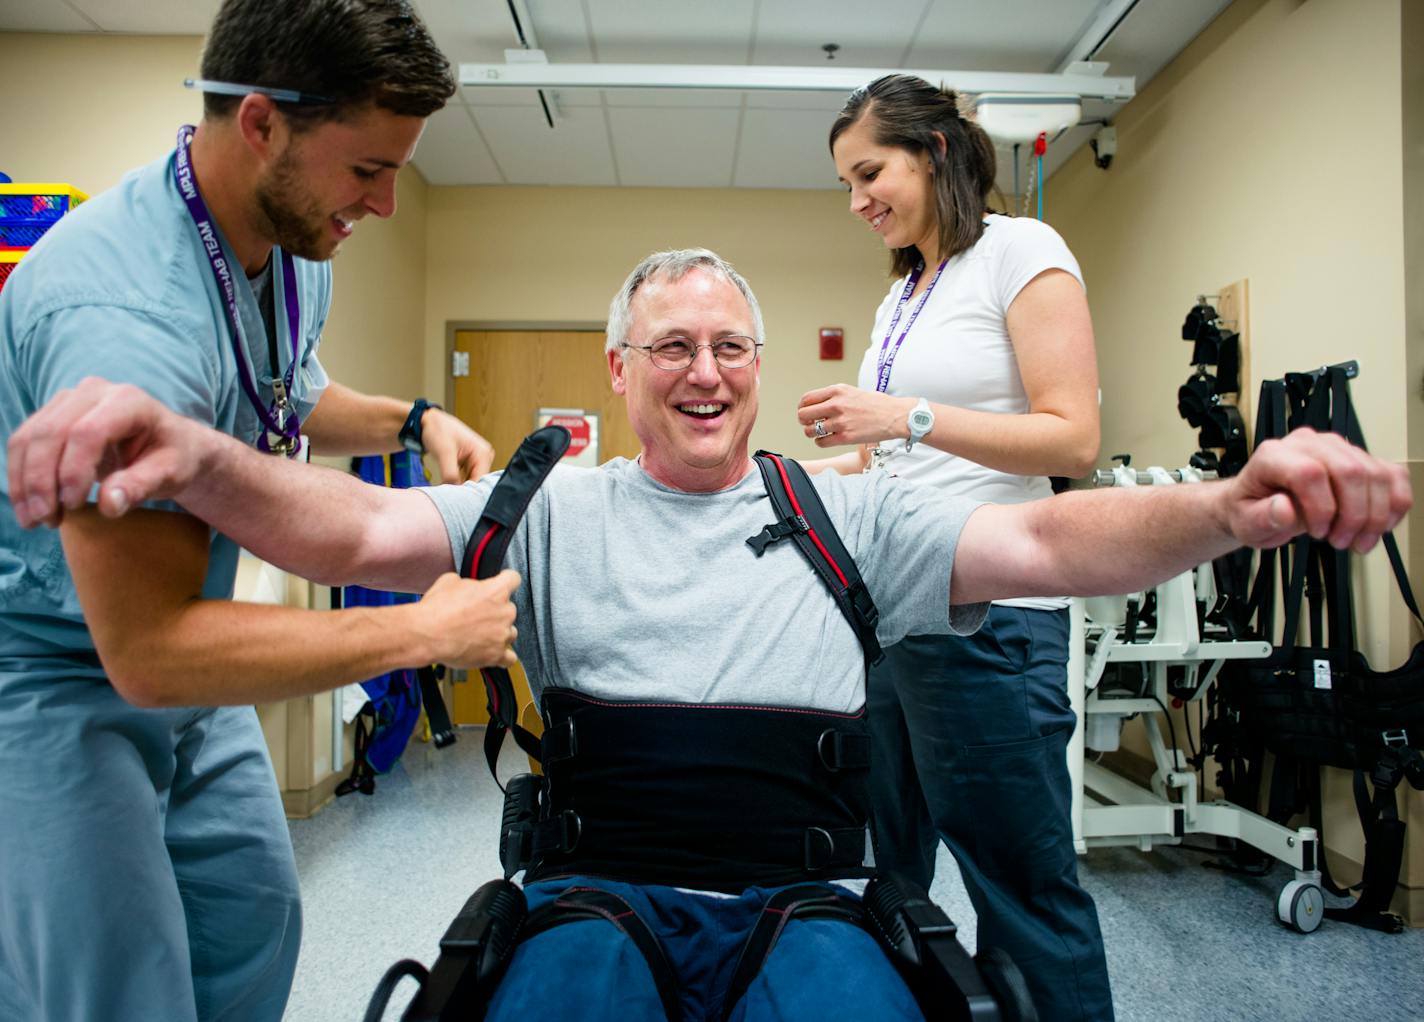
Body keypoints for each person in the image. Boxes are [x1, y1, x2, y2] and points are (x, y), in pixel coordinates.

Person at [8, 249, 1411, 1021]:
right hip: (590, 894)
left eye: (731, 344)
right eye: (670, 344)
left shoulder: (842, 512)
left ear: (762, 369)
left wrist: (1230, 510)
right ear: (619, 370)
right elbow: (336, 528)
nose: (704, 370)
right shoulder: (546, 510)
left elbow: (1045, 542)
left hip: (806, 902)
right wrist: (195, 454)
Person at [0, 3, 515, 1020]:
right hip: (59, 670)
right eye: (367, 169)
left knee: (250, 922)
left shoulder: (281, 244)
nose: (383, 204)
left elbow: (283, 392)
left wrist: (411, 419)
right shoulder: (126, 320)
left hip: (188, 676)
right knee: (115, 986)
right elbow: (145, 648)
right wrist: (415, 630)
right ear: (262, 124)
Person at [797, 74, 1109, 1019]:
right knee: (890, 869)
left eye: (870, 174)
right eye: (847, 185)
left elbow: (1072, 440)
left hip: (992, 617)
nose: (858, 202)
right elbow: (896, 457)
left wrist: (907, 414)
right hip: (895, 614)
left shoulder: (1022, 250)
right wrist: (800, 480)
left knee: (1019, 884)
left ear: (933, 148)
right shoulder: (901, 295)